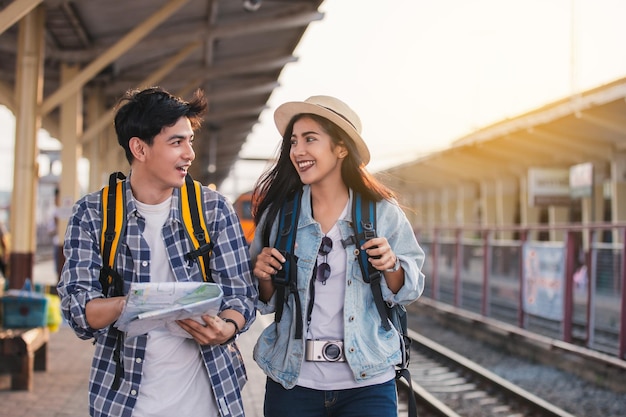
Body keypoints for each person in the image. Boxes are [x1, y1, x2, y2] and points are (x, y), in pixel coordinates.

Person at [57, 87, 258, 417]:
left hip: (209, 402)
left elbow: (241, 296)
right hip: (123, 403)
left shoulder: (213, 210)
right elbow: (78, 310)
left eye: (190, 140)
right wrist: (136, 304)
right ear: (139, 148)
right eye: (177, 142)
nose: (190, 153)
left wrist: (227, 329)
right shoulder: (93, 213)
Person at [249, 95, 425, 417]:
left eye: (310, 139)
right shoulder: (279, 216)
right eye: (293, 141)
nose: (297, 151)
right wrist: (262, 276)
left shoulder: (382, 212)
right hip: (294, 382)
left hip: (368, 382)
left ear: (341, 148)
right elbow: (265, 302)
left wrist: (392, 265)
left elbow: (408, 290)